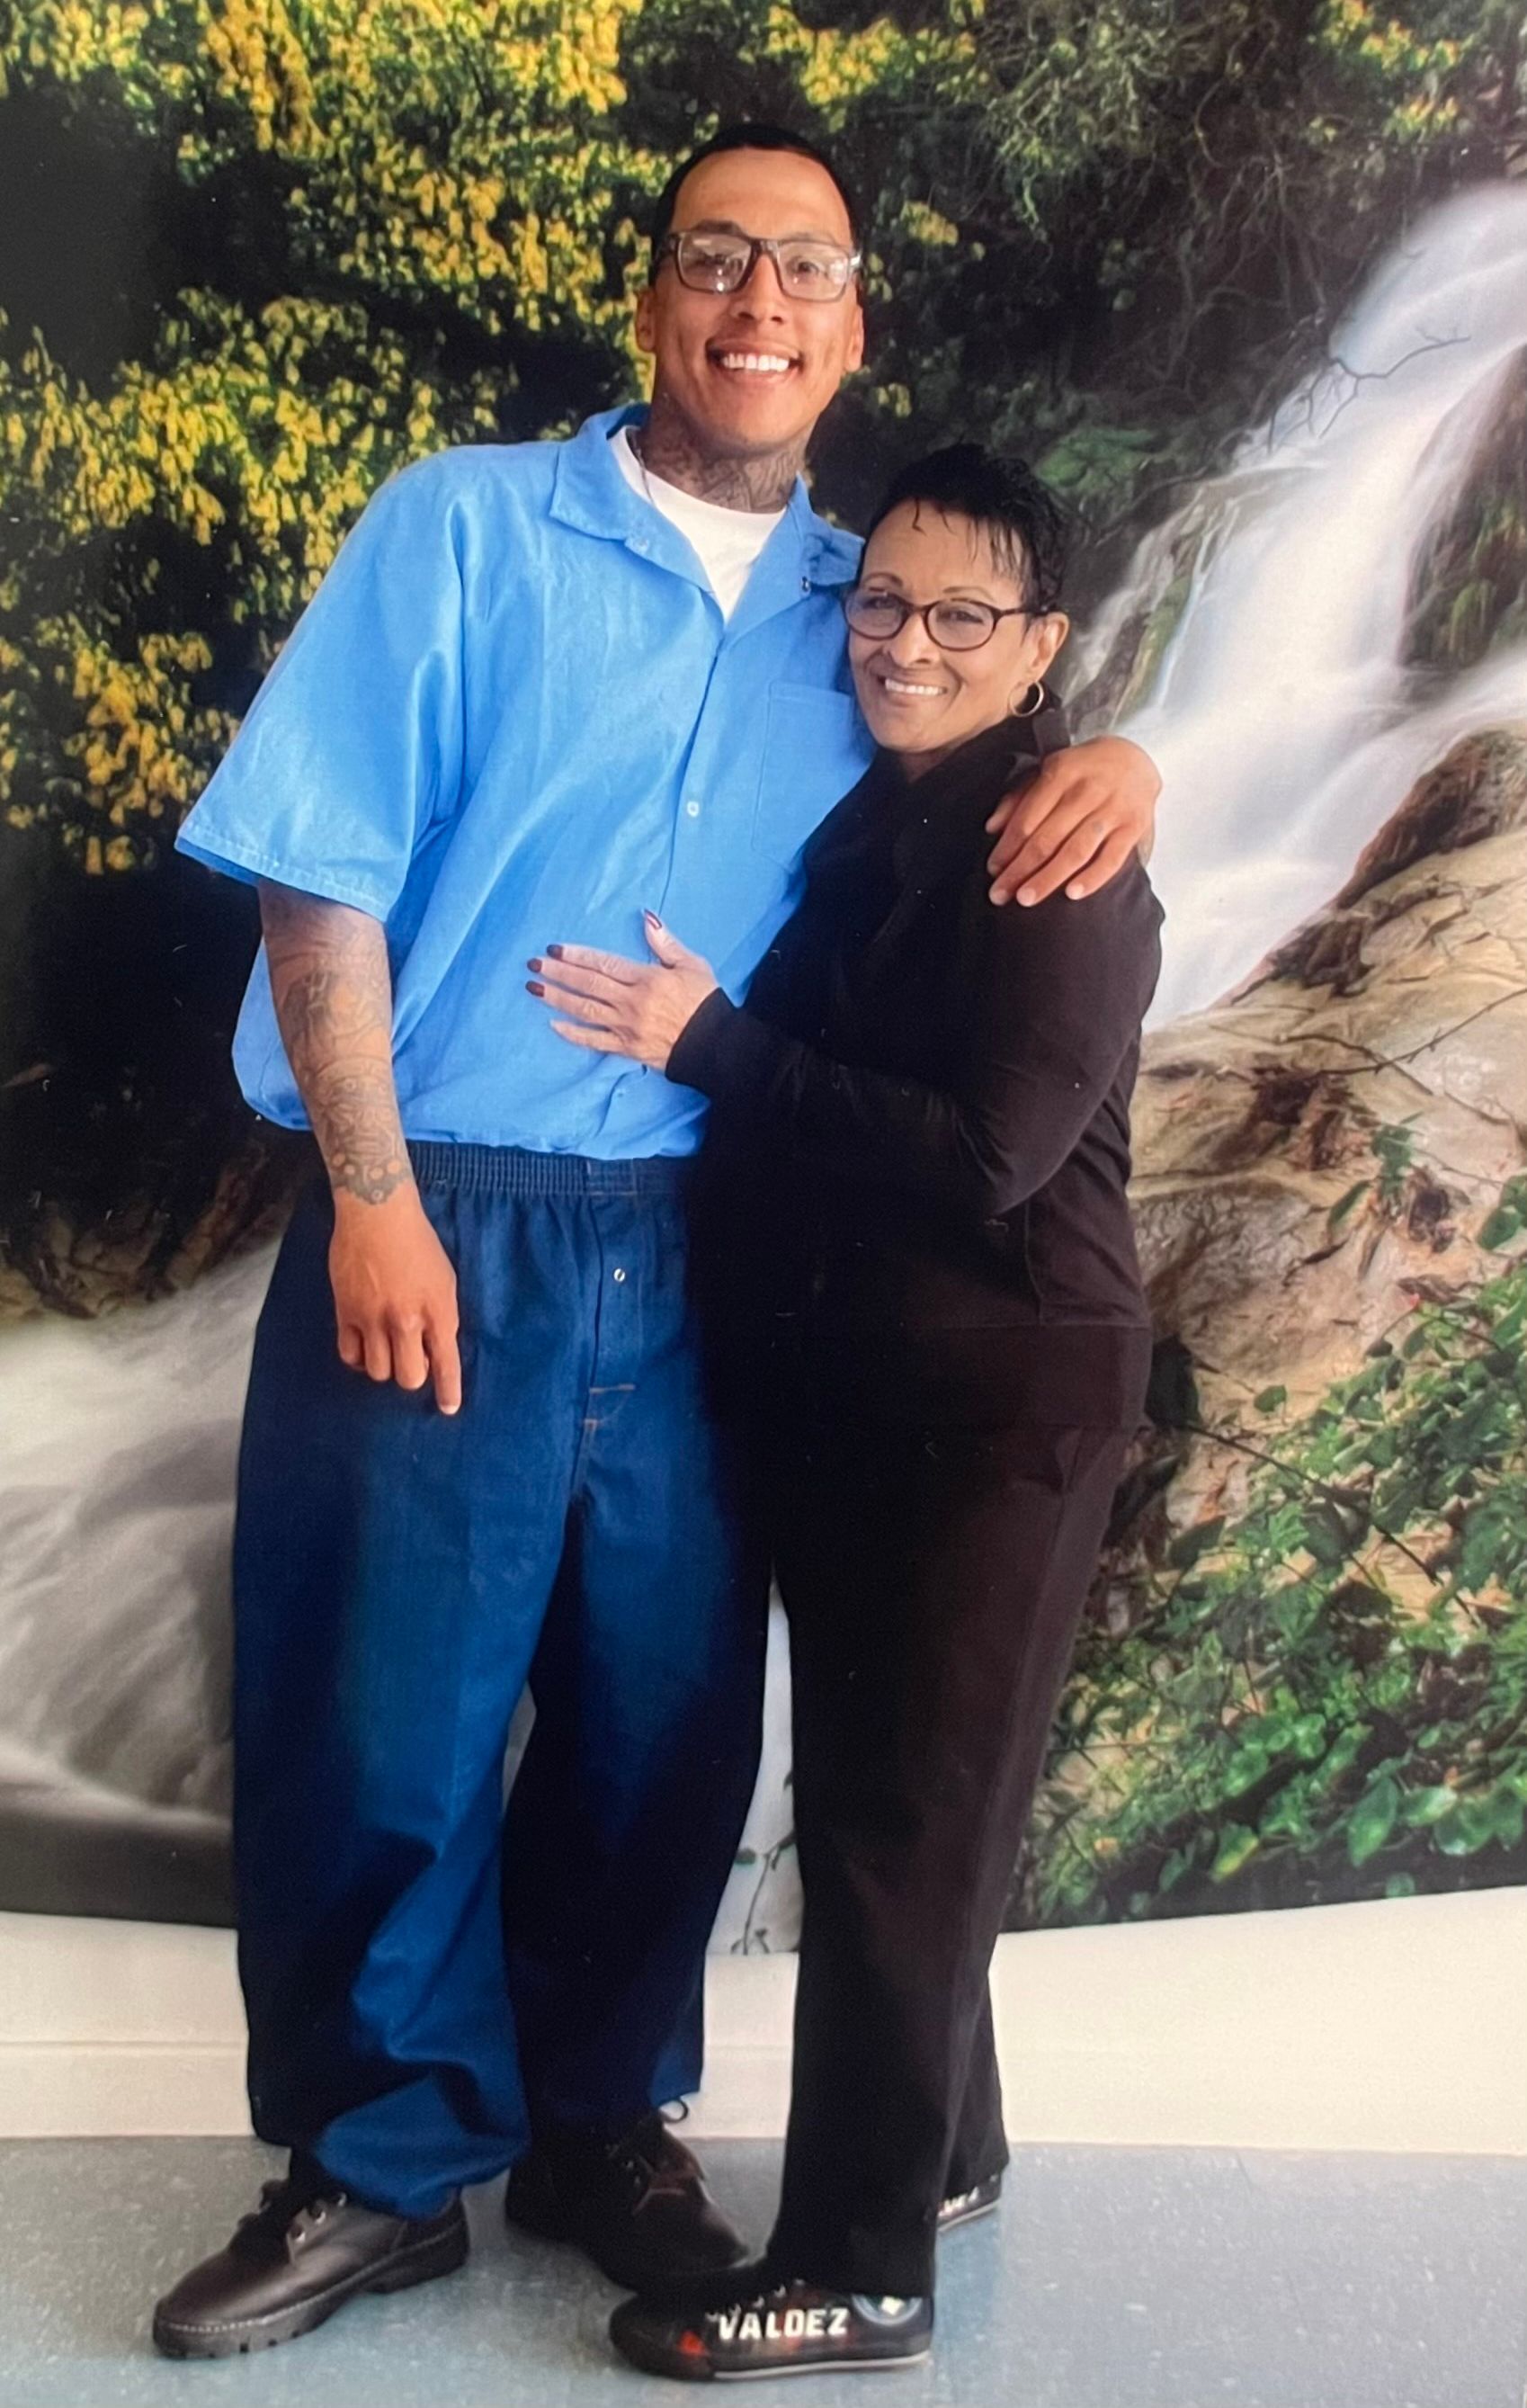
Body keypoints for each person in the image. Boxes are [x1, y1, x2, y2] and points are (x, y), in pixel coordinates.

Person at [151, 125, 1161, 2361]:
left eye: (806, 267)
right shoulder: (462, 527)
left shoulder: (868, 607)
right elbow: (319, 871)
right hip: (448, 1201)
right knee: (382, 1706)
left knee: (664, 1718)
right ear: (652, 299)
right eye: (718, 256)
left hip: (721, 1242)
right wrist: (373, 1192)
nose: (758, 302)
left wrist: (1132, 762)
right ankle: (372, 2167)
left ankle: (604, 2122)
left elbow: (995, 726)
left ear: (856, 323)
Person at [528, 443, 1162, 2381]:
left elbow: (986, 1158)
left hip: (996, 1401)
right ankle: (944, 2150)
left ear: (1042, 642)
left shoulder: (1057, 859)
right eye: (879, 602)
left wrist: (706, 1043)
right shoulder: (887, 812)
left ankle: (857, 2267)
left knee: (899, 1823)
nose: (905, 643)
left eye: (962, 614)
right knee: (904, 1800)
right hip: (871, 1389)